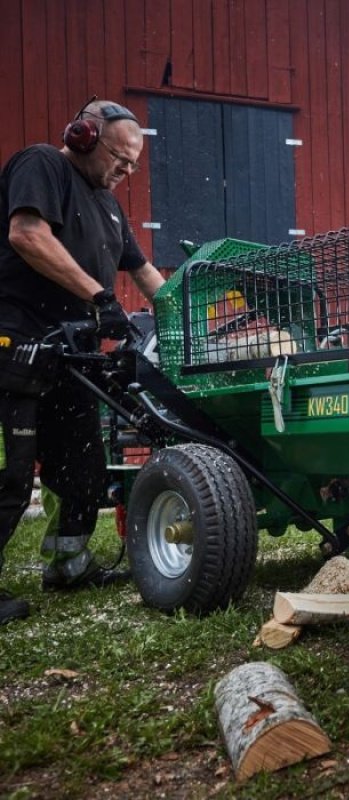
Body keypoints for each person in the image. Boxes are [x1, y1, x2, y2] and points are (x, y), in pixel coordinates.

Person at [0, 98, 165, 624]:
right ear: (83, 137)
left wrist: (187, 316)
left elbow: (144, 274)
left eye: (134, 165)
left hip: (72, 358)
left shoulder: (111, 210)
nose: (125, 171)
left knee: (84, 469)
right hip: (17, 344)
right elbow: (27, 233)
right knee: (11, 472)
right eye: (119, 158)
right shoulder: (44, 165)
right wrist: (100, 298)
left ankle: (69, 563)